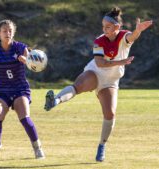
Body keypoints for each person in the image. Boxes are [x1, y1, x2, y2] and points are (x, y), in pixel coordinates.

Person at [44, 7, 152, 162]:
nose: (104, 29)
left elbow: (132, 36)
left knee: (110, 114)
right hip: (96, 72)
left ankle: (102, 146)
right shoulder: (99, 41)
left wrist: (138, 30)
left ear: (117, 27)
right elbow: (100, 63)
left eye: (108, 27)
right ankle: (54, 101)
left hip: (110, 81)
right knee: (78, 86)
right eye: (103, 26)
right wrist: (121, 62)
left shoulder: (123, 37)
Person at [0, 19, 45, 159]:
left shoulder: (20, 47)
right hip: (1, 90)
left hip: (19, 89)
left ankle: (37, 147)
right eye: (5, 30)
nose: (8, 33)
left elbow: (32, 62)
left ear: (14, 32)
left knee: (24, 116)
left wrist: (27, 61)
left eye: (10, 30)